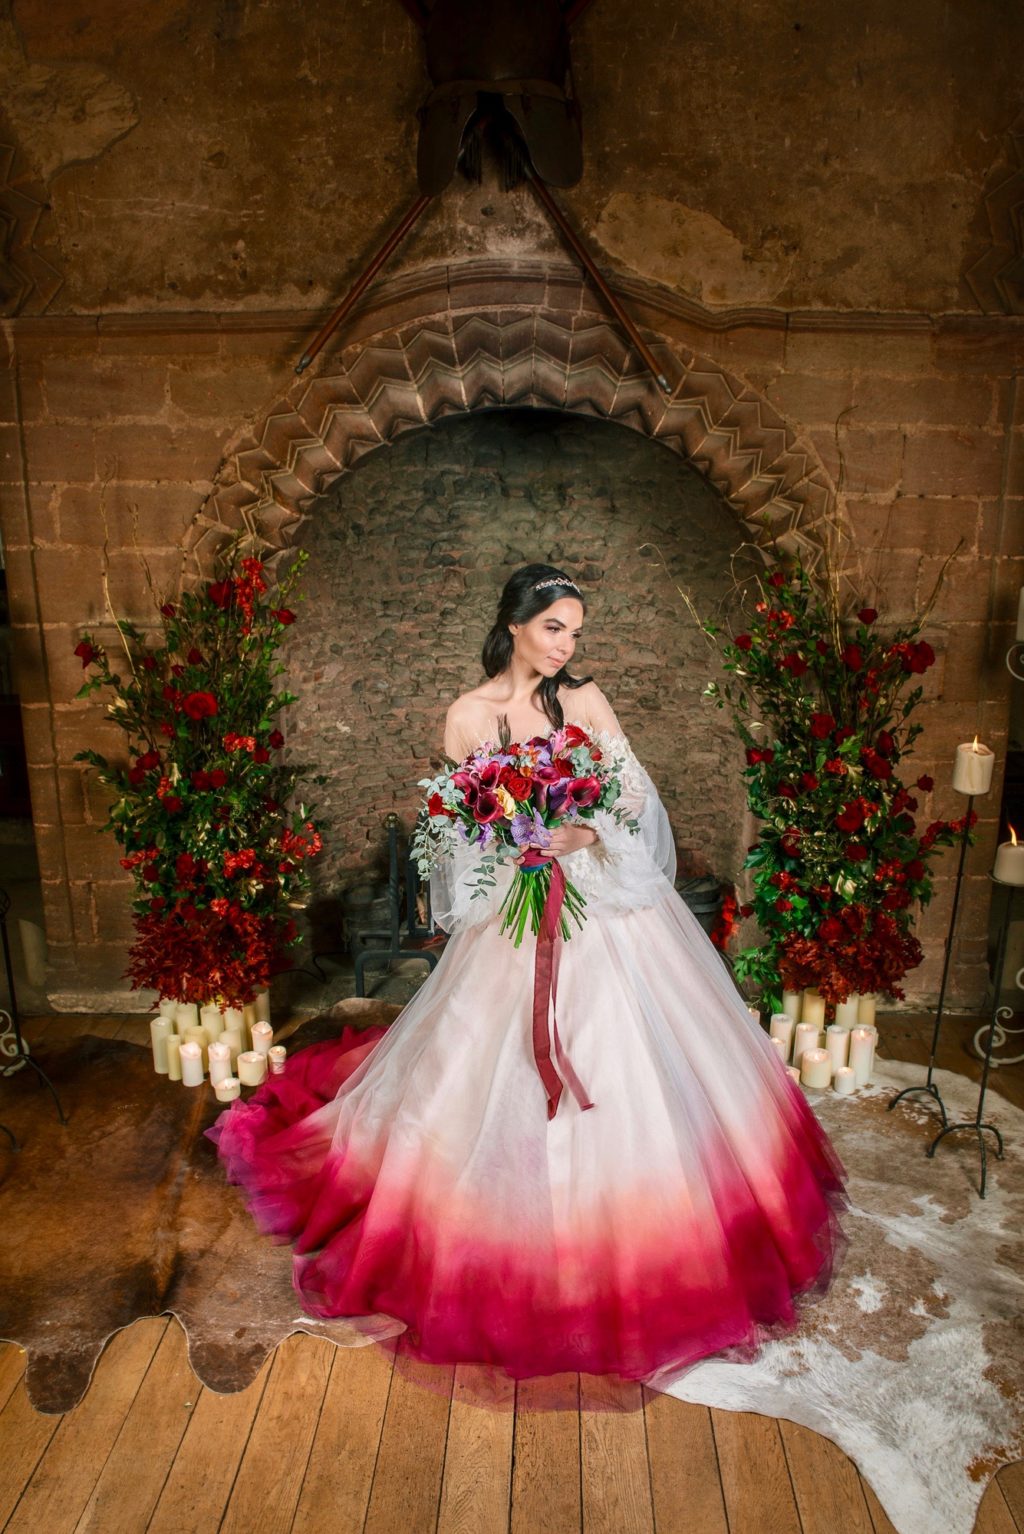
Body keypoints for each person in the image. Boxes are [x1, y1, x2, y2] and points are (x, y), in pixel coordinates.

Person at [208, 561, 849, 1387]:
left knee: (633, 1062)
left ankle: (649, 1238)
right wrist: (512, 845)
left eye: (576, 632)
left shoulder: (584, 703)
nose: (565, 645)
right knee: (479, 1071)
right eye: (554, 628)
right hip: (515, 912)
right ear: (514, 623)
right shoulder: (468, 717)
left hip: (604, 907)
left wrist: (581, 839)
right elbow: (454, 848)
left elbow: (634, 808)